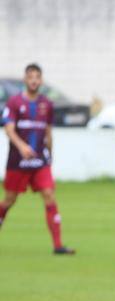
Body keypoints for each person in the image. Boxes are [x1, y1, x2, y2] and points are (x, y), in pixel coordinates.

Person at [0, 63, 75, 254]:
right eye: (30, 77)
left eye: (37, 77)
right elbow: (9, 129)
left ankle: (58, 246)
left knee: (49, 195)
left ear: (41, 80)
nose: (34, 80)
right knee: (9, 200)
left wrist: (51, 157)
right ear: (25, 80)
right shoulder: (14, 103)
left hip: (40, 161)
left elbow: (48, 133)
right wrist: (22, 146)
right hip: (18, 161)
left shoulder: (47, 105)